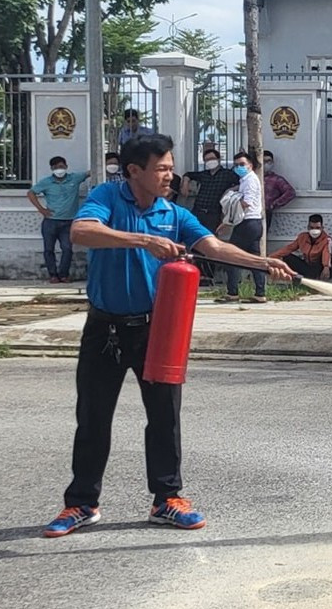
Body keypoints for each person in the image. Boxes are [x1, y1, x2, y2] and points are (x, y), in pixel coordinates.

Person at [41, 132, 297, 539]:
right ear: (133, 171)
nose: (170, 176)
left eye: (171, 167)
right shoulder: (106, 197)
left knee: (164, 418)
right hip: (103, 328)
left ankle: (167, 499)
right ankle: (81, 503)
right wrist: (143, 240)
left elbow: (214, 247)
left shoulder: (174, 213)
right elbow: (81, 232)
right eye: (161, 168)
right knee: (92, 419)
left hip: (154, 331)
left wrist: (263, 262)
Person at [28, 156, 90, 283]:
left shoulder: (74, 178)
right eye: (56, 167)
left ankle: (64, 275)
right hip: (51, 221)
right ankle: (53, 275)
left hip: (68, 222)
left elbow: (91, 172)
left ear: (66, 167)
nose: (59, 169)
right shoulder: (46, 182)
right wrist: (41, 209)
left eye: (61, 167)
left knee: (67, 249)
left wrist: (107, 163)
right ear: (51, 169)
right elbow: (31, 193)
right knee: (49, 249)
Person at [217, 151, 266, 303]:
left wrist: (231, 202)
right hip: (254, 223)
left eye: (242, 164)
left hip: (247, 223)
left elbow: (246, 203)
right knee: (254, 259)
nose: (239, 167)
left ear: (250, 165)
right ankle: (260, 293)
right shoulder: (245, 180)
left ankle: (232, 292)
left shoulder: (250, 180)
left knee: (231, 256)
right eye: (236, 165)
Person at [272, 213, 332, 280]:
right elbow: (289, 248)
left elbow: (326, 253)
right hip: (307, 266)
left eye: (317, 228)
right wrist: (272, 257)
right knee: (287, 257)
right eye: (312, 228)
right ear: (308, 228)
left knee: (331, 262)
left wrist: (326, 267)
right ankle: (296, 276)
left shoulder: (327, 240)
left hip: (319, 267)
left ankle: (317, 277)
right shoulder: (302, 237)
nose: (315, 230)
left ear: (322, 228)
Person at [261, 150, 296, 226]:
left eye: (269, 161)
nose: (266, 164)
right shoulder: (253, 177)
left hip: (266, 212)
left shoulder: (276, 179)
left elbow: (290, 192)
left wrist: (273, 204)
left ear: (273, 162)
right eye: (263, 161)